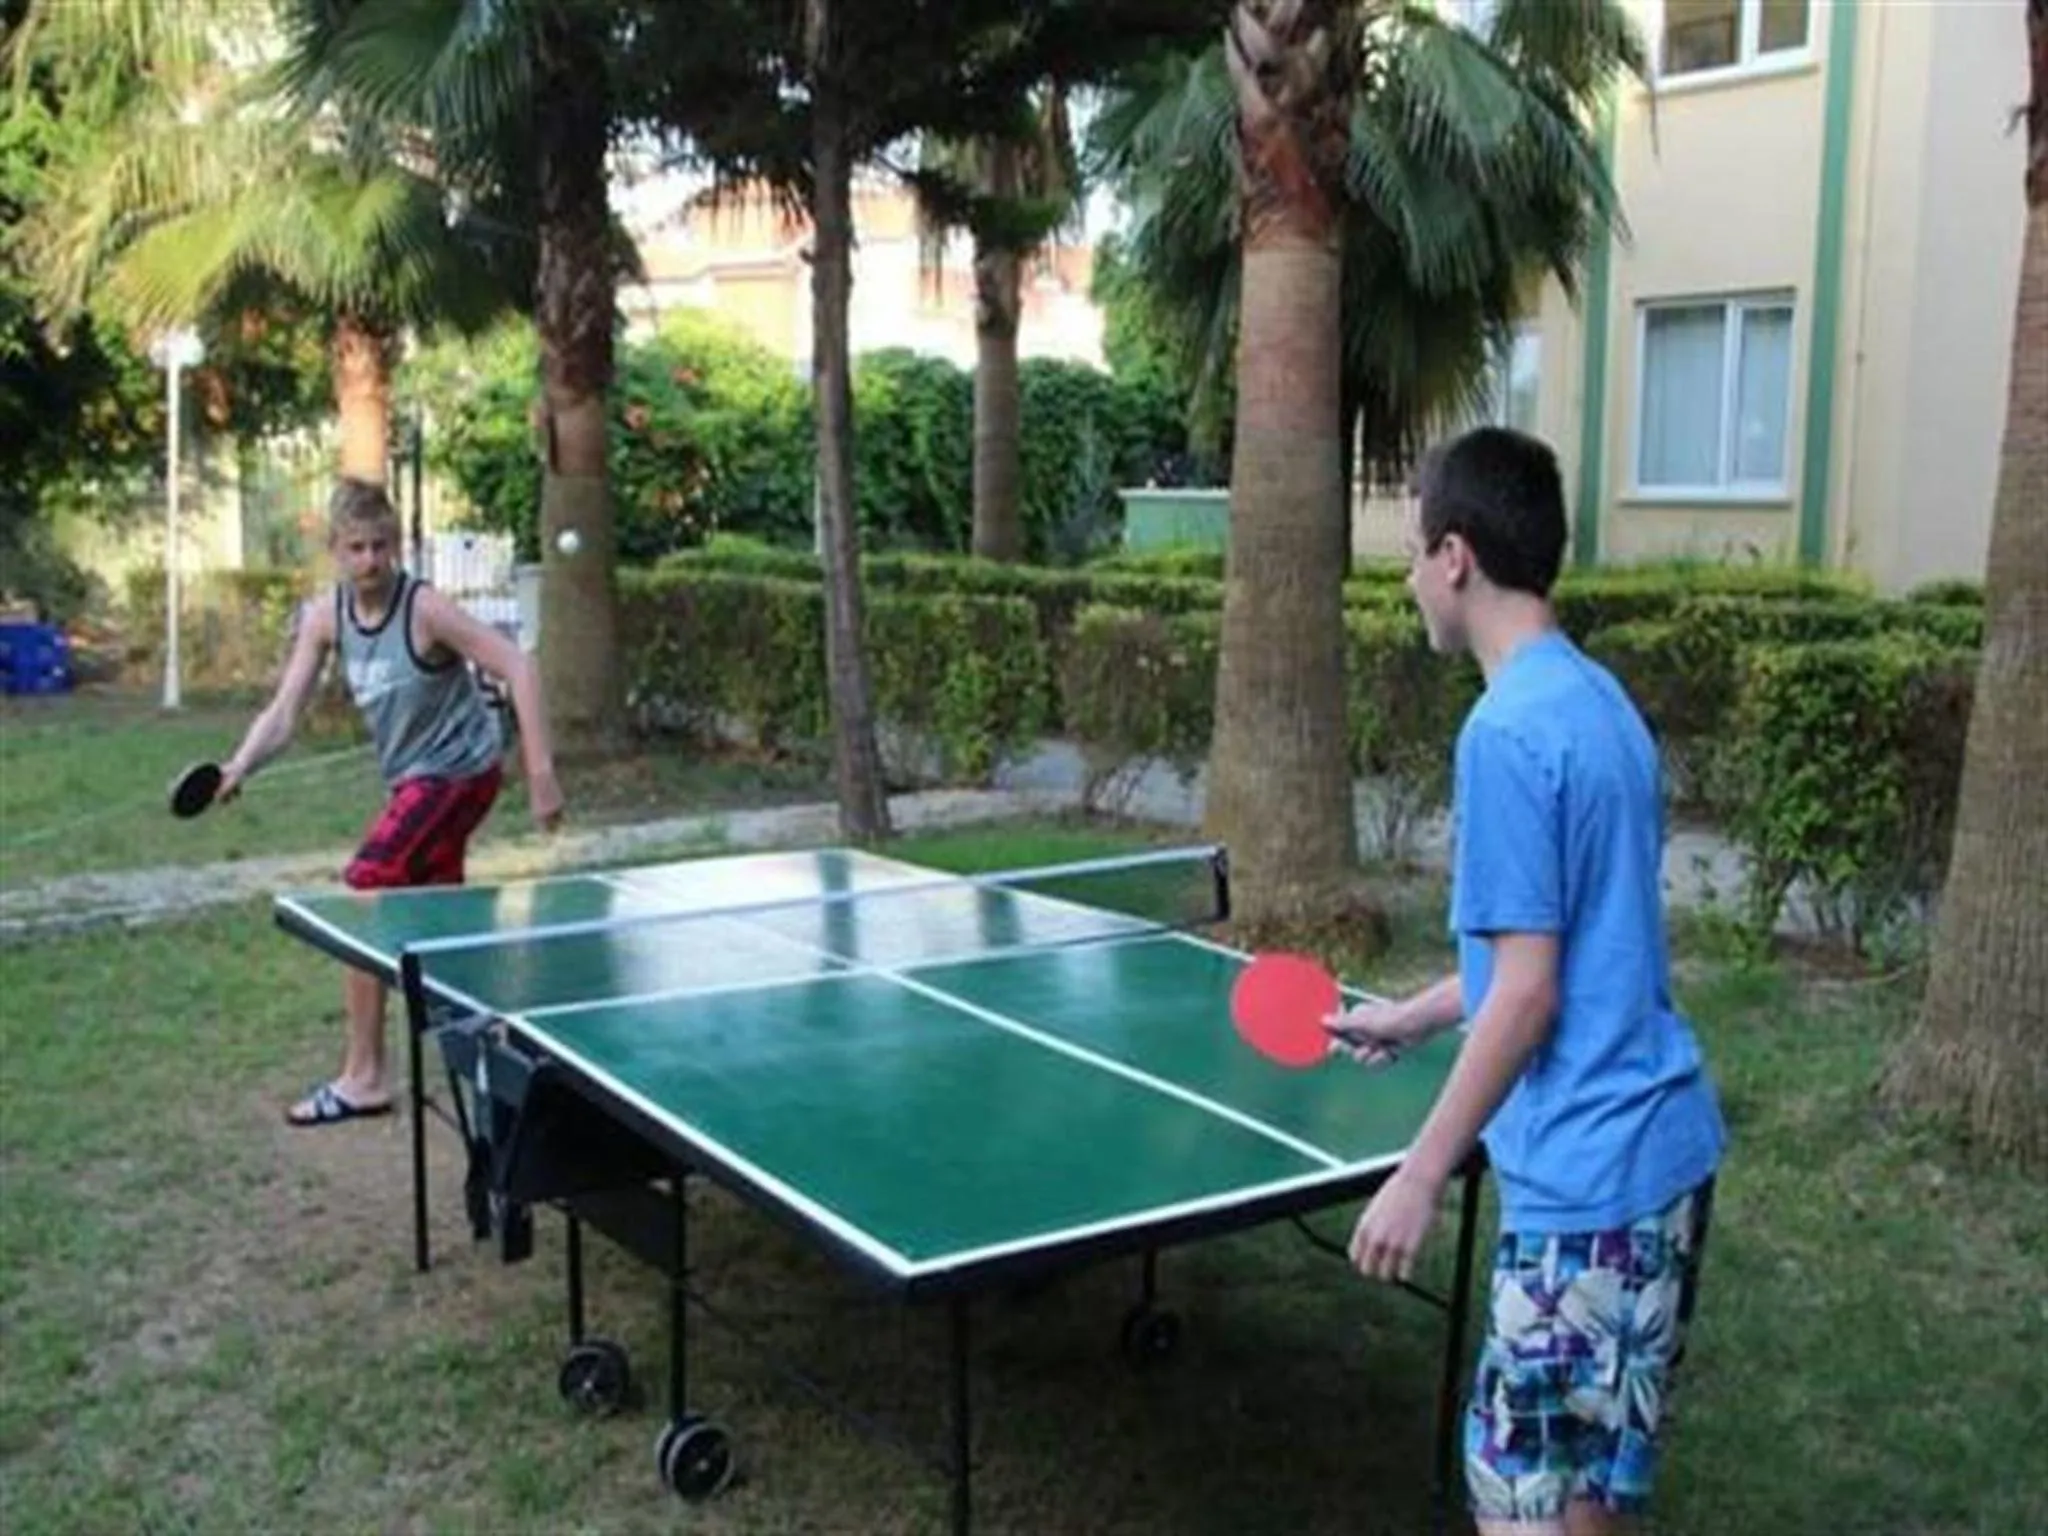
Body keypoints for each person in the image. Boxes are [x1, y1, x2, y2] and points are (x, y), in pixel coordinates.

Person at [1325, 427, 1727, 1535]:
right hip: (1666, 1168)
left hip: (1583, 1192)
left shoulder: (1501, 734)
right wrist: (1413, 1014)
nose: (1408, 576)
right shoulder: (1597, 701)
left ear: (1454, 557)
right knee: (1592, 1493)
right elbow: (1573, 947)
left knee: (1519, 1504)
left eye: (1411, 551)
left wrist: (1419, 1171)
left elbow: (1530, 995)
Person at [217, 478, 565, 1128]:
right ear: (334, 550)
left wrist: (541, 771)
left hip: (461, 772)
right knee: (434, 912)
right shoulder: (326, 618)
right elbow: (285, 710)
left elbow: (518, 665)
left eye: (382, 546)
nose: (371, 560)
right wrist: (240, 763)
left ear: (397, 544)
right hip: (414, 784)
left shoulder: (425, 608)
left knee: (367, 886)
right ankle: (489, 1057)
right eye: (356, 548)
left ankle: (365, 1076)